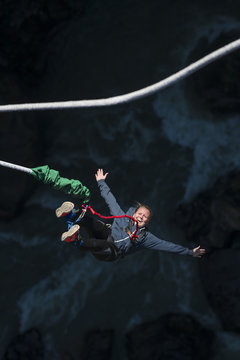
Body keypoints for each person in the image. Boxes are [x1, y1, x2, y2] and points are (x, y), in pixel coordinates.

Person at [56, 169, 206, 262]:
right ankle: (72, 216)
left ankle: (75, 240)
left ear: (147, 222)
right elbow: (110, 200)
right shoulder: (123, 217)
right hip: (108, 235)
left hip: (111, 253)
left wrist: (189, 252)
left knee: (105, 244)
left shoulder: (146, 238)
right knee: (95, 224)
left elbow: (166, 246)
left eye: (145, 217)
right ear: (133, 214)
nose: (141, 217)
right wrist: (101, 182)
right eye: (140, 214)